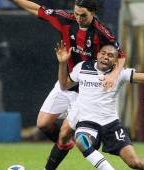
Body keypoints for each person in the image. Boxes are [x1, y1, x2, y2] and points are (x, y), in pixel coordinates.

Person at [11, 0, 126, 169]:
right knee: (43, 124)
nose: (78, 18)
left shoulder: (102, 32)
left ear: (93, 12)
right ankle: (66, 144)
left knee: (64, 132)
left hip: (86, 91)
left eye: (83, 15)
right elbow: (37, 9)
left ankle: (63, 149)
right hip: (66, 82)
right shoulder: (65, 19)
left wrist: (114, 75)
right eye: (76, 13)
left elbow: (121, 56)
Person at [56, 41, 144, 170]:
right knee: (81, 140)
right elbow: (64, 85)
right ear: (98, 54)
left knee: (135, 163)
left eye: (111, 55)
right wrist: (63, 63)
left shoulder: (120, 74)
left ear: (115, 61)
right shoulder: (82, 67)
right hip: (88, 123)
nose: (106, 57)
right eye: (103, 53)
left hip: (111, 125)